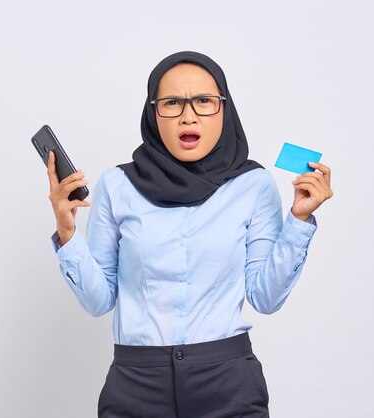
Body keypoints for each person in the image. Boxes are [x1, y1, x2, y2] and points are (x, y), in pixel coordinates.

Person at [45, 51, 333, 418]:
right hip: (136, 383)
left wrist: (298, 222)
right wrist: (67, 232)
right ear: (153, 113)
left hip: (228, 381)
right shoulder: (117, 185)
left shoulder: (252, 185)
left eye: (203, 101)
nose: (188, 114)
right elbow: (98, 301)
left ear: (224, 109)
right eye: (171, 103)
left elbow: (265, 298)